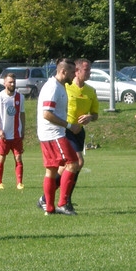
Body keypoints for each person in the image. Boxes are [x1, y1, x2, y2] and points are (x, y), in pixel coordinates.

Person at [36, 58, 81, 216]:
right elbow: (47, 114)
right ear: (63, 71)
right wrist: (69, 126)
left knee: (51, 170)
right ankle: (62, 204)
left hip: (48, 134)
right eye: (72, 72)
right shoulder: (53, 87)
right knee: (73, 163)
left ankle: (49, 208)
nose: (74, 75)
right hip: (53, 133)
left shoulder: (58, 86)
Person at [64, 58, 99, 211]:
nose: (89, 72)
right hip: (65, 130)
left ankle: (52, 198)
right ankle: (64, 200)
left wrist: (90, 117)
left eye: (89, 69)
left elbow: (95, 114)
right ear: (77, 71)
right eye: (86, 70)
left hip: (79, 132)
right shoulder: (65, 87)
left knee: (68, 167)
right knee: (77, 162)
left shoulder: (91, 91)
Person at [0, 72, 25, 190]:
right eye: (10, 82)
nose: (13, 84)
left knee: (18, 158)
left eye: (14, 82)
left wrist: (23, 129)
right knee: (1, 158)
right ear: (5, 83)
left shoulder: (20, 97)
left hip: (16, 134)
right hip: (3, 135)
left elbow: (22, 114)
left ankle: (19, 183)